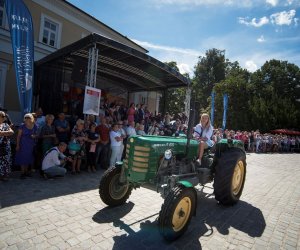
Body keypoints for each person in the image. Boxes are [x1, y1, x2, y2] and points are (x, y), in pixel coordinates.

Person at [15, 113, 38, 179]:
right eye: (26, 118)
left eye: (29, 118)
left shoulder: (35, 125)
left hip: (30, 144)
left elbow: (36, 134)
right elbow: (18, 136)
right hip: (23, 144)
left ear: (31, 118)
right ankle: (22, 173)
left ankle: (26, 172)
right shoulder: (22, 126)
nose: (27, 119)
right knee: (22, 158)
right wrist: (17, 145)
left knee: (28, 157)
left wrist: (34, 136)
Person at [0, 111, 14, 181]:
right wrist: (7, 133)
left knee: (6, 161)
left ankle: (4, 175)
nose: (4, 118)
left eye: (4, 116)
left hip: (6, 146)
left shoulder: (6, 125)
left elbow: (12, 132)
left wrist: (2, 133)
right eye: (2, 116)